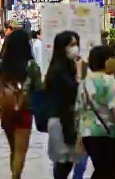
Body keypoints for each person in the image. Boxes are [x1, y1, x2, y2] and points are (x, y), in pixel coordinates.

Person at [0, 29, 42, 179]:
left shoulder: (2, 66)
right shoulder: (31, 66)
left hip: (6, 110)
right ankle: (15, 176)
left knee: (13, 149)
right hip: (24, 111)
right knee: (20, 151)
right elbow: (39, 90)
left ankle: (14, 174)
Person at [75, 46, 115, 179]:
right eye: (113, 57)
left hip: (87, 133)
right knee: (107, 171)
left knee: (101, 169)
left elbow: (79, 110)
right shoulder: (109, 81)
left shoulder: (84, 82)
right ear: (107, 60)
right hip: (107, 133)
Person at [45, 31, 81, 179]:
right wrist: (79, 74)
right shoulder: (59, 69)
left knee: (66, 161)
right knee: (63, 162)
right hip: (61, 120)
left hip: (67, 118)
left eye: (76, 44)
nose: (75, 48)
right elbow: (73, 90)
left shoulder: (67, 66)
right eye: (72, 45)